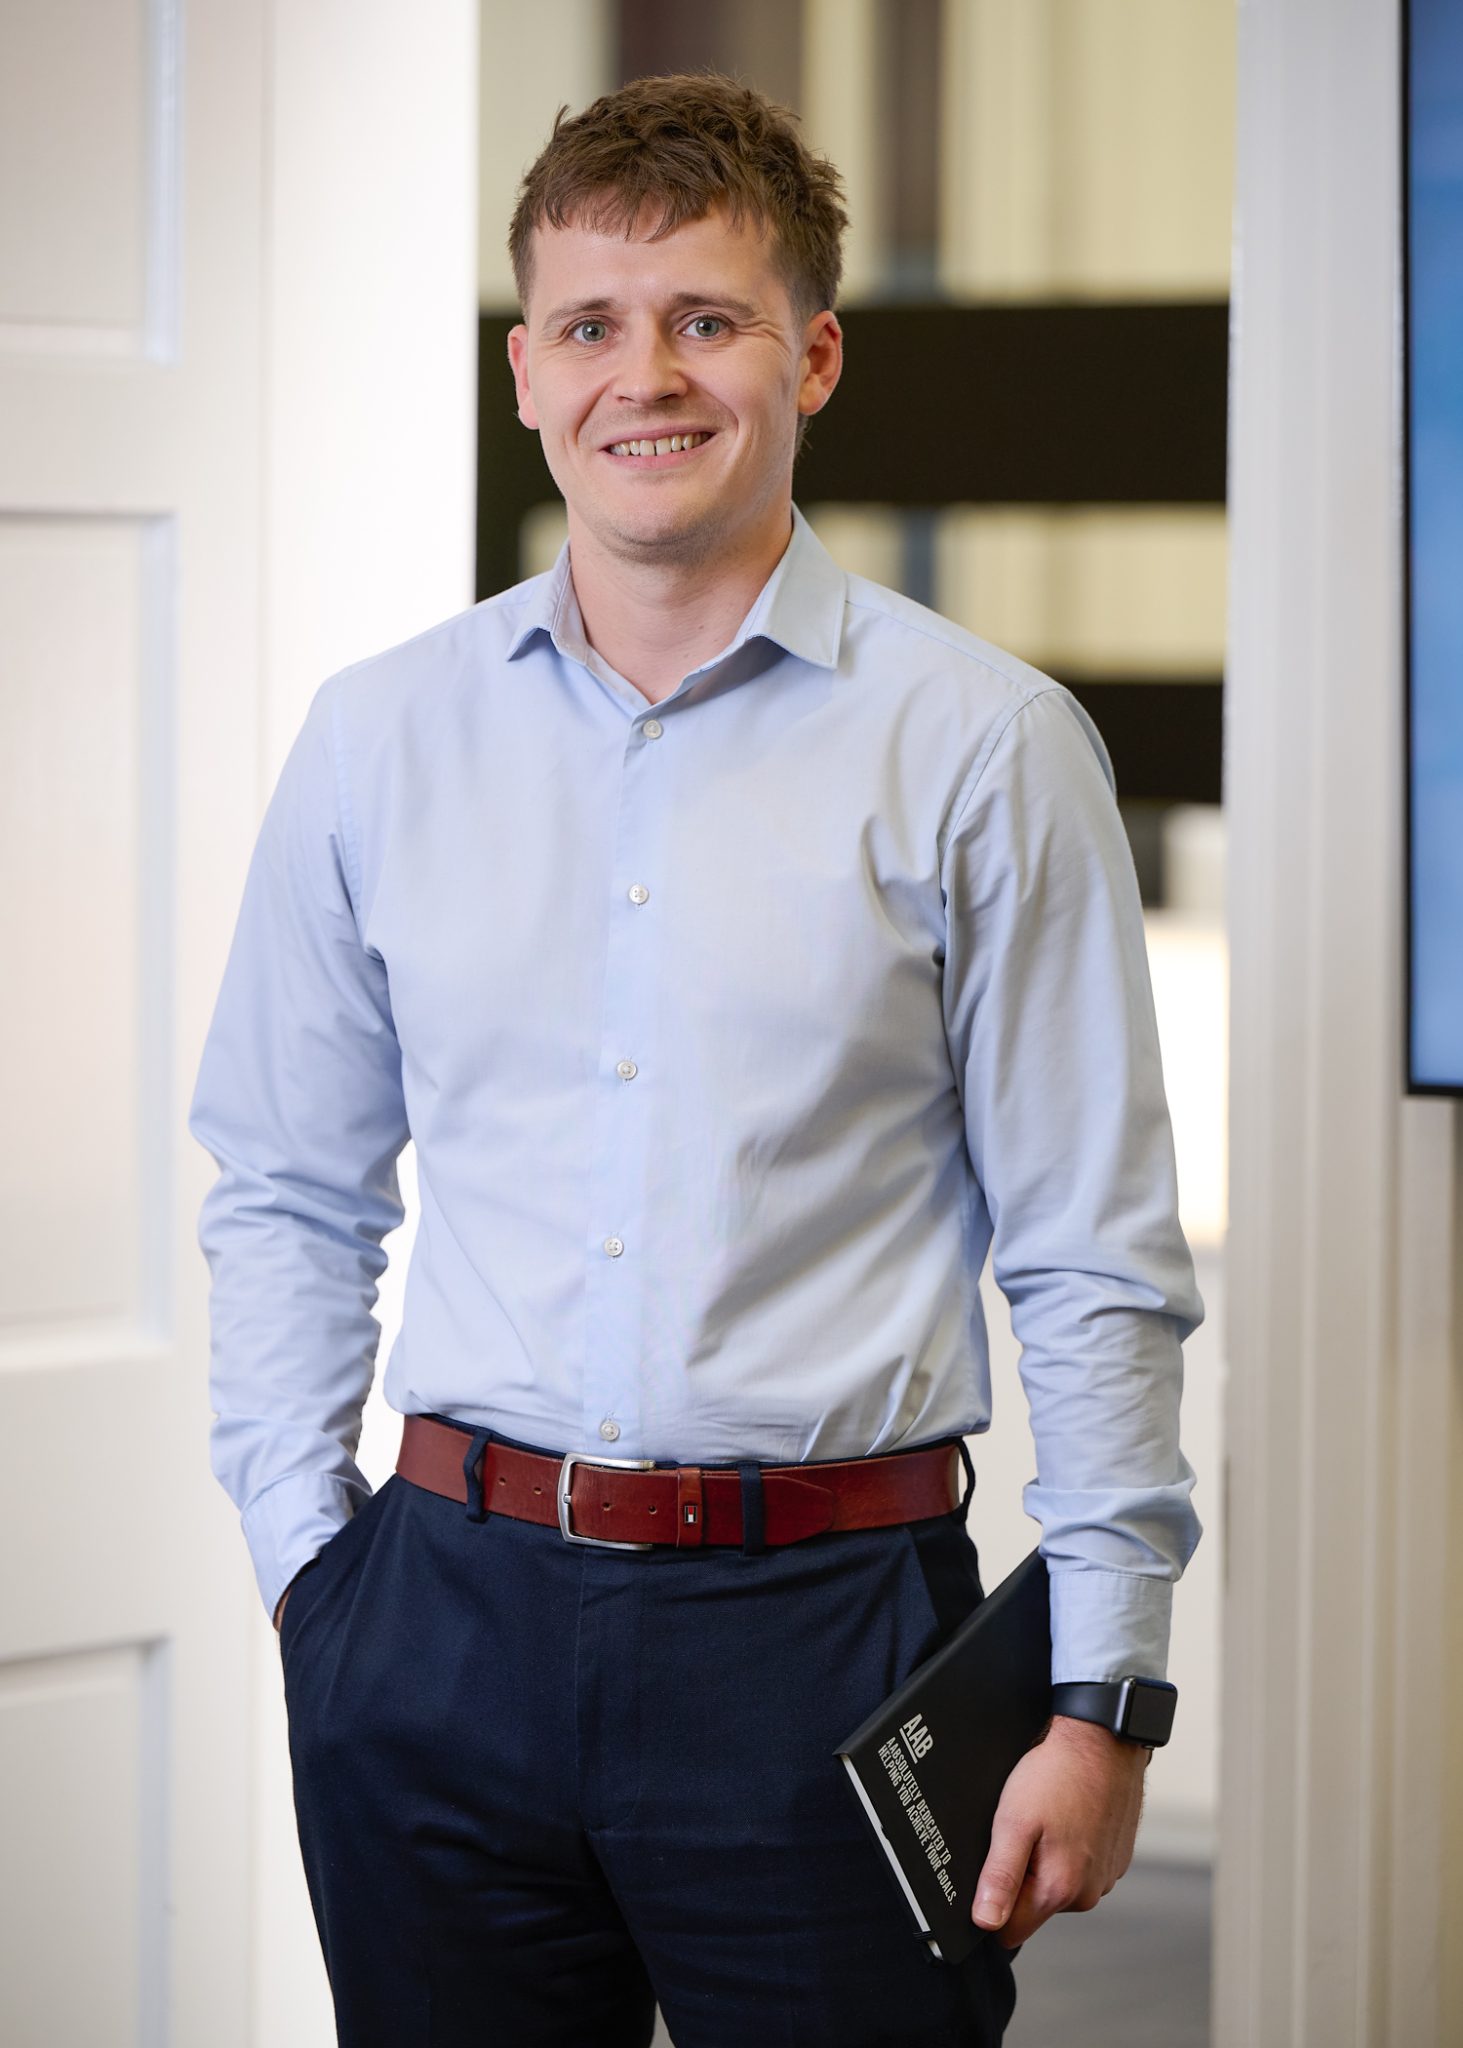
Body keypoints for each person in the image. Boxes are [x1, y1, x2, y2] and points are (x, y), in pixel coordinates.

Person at [188, 70, 1204, 2048]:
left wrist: (1104, 1690)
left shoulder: (984, 748)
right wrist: (317, 1579)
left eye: (707, 319)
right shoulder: (378, 741)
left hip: (825, 1647)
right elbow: (288, 1186)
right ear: (526, 371)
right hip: (436, 1629)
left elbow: (1091, 1251)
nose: (645, 373)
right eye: (592, 323)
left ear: (810, 354)